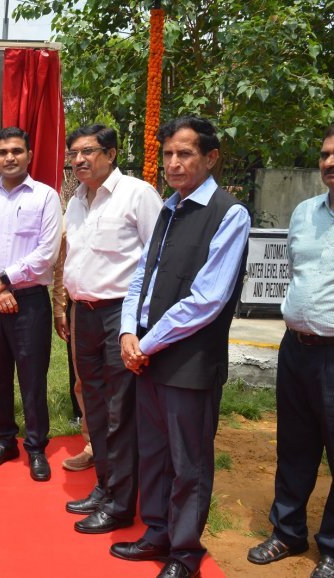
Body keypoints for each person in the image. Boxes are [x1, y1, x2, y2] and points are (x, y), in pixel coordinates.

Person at [111, 117, 250, 578]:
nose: (174, 162)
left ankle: (184, 553)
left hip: (189, 361)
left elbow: (208, 299)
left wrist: (145, 342)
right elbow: (141, 278)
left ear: (210, 158)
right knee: (153, 452)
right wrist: (128, 331)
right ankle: (156, 533)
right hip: (148, 356)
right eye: (168, 153)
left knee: (188, 460)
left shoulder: (229, 214)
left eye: (185, 153)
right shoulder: (168, 208)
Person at [61, 124, 163, 534]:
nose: (80, 160)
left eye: (88, 151)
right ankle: (105, 485)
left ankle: (122, 504)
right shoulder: (76, 201)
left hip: (120, 315)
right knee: (95, 406)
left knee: (121, 411)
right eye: (74, 154)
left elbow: (157, 260)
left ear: (112, 154)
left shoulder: (137, 195)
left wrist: (141, 324)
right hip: (82, 313)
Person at [247, 125, 334, 578]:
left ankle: (332, 548)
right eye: (324, 155)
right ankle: (287, 531)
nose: (329, 163)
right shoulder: (304, 213)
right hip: (296, 349)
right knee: (294, 447)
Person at [0, 126, 62, 482]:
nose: (10, 157)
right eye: (3, 151)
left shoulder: (46, 197)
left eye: (17, 151)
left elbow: (47, 253)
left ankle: (36, 447)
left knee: (32, 377)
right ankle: (5, 439)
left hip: (30, 301)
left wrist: (5, 279)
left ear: (29, 155)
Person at [53, 230, 94, 472]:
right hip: (79, 306)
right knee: (83, 380)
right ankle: (93, 445)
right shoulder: (76, 207)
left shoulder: (137, 196)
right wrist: (60, 307)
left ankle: (121, 451)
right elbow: (63, 264)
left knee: (117, 385)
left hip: (119, 308)